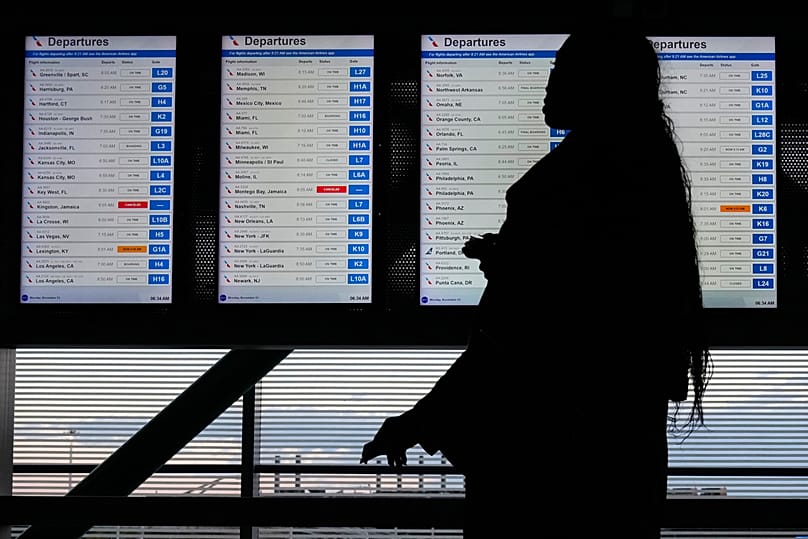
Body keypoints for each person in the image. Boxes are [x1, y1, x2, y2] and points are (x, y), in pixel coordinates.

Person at [361, 23, 712, 538]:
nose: (547, 86)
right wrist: (513, 266)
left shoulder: (558, 187)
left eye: (560, 72)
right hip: (621, 462)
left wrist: (416, 421)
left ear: (594, 86)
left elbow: (515, 341)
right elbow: (594, 308)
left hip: (538, 465)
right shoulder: (645, 178)